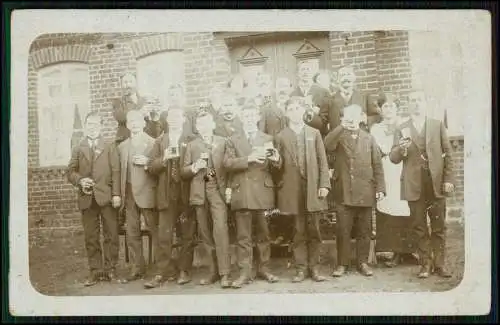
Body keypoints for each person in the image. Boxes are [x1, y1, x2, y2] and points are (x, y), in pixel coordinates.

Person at [389, 89, 455, 279]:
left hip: (435, 183)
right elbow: (393, 158)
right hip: (413, 183)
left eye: (419, 100)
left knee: (439, 225)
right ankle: (425, 264)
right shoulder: (401, 128)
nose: (416, 103)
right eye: (412, 100)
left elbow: (448, 154)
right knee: (418, 226)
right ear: (408, 105)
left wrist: (448, 180)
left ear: (425, 103)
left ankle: (440, 264)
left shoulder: (437, 125)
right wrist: (401, 149)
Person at [270, 96, 331, 282]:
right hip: (292, 189)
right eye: (292, 109)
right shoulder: (280, 136)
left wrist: (324, 184)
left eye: (299, 108)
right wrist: (275, 161)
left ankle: (315, 268)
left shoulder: (314, 133)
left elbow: (322, 161)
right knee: (298, 231)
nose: (295, 112)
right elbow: (277, 167)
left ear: (303, 111)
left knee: (315, 230)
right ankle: (301, 268)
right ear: (287, 112)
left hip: (313, 187)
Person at [324, 104, 386, 277]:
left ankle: (363, 262)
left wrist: (380, 187)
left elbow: (377, 165)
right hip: (344, 191)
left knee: (364, 230)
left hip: (365, 190)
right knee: (343, 230)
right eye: (347, 115)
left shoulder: (369, 138)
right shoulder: (339, 136)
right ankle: (342, 264)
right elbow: (326, 145)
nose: (351, 119)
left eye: (354, 115)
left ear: (361, 118)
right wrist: (340, 127)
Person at [223, 101, 280, 288]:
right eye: (245, 116)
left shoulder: (267, 138)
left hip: (262, 192)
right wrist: (248, 159)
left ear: (257, 118)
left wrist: (276, 159)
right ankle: (245, 272)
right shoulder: (232, 139)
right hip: (243, 193)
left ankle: (264, 269)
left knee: (264, 234)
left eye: (251, 116)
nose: (248, 119)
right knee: (243, 237)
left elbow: (277, 166)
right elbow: (227, 163)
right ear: (242, 118)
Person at [67, 111, 121, 287]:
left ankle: (111, 269)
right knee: (91, 236)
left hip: (106, 197)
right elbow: (70, 172)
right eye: (89, 124)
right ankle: (95, 271)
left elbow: (116, 171)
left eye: (96, 124)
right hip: (87, 198)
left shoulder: (109, 146)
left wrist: (116, 194)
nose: (92, 128)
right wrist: (80, 180)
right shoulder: (78, 147)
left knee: (111, 234)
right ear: (85, 126)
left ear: (101, 126)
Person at [143, 107, 194, 288]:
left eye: (177, 116)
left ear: (183, 119)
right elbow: (149, 166)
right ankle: (161, 272)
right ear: (167, 120)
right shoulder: (160, 141)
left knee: (187, 233)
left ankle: (184, 270)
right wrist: (163, 160)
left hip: (186, 192)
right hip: (166, 193)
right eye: (170, 117)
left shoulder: (191, 139)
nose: (174, 120)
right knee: (164, 234)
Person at [182, 110, 232, 288]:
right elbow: (183, 171)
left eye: (207, 123)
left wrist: (227, 189)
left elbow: (228, 167)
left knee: (220, 230)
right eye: (200, 124)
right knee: (205, 234)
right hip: (199, 193)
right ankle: (213, 272)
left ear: (213, 125)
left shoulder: (223, 142)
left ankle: (225, 273)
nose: (203, 127)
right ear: (196, 127)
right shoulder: (192, 145)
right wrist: (195, 167)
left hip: (216, 191)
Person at [370, 93, 412, 267]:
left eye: (391, 106)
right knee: (388, 206)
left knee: (405, 206)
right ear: (380, 109)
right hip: (385, 169)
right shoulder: (375, 128)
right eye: (385, 106)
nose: (388, 109)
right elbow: (375, 150)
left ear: (397, 108)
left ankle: (408, 250)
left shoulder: (405, 125)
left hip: (403, 168)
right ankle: (393, 250)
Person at [117, 110, 157, 282]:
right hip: (129, 193)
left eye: (137, 120)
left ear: (143, 123)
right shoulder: (122, 146)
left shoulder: (153, 143)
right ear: (127, 125)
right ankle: (137, 267)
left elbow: (159, 166)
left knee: (155, 229)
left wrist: (148, 163)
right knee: (132, 232)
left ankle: (159, 267)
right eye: (130, 121)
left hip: (148, 192)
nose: (134, 124)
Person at [306, 65, 381, 135]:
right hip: (339, 144)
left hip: (360, 143)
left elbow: (376, 116)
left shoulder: (365, 97)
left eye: (348, 74)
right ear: (337, 80)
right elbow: (323, 123)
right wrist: (311, 116)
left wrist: (366, 120)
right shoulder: (328, 100)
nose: (346, 78)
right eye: (342, 75)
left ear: (354, 78)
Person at [111, 72, 164, 144]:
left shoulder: (146, 101)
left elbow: (155, 131)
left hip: (145, 142)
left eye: (130, 82)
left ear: (136, 84)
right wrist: (140, 112)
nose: (128, 85)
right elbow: (121, 117)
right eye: (125, 82)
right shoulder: (118, 102)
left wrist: (155, 118)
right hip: (125, 141)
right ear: (121, 85)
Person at [291, 60, 332, 136]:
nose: (305, 72)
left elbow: (325, 122)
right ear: (298, 73)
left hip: (318, 135)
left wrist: (310, 114)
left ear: (312, 73)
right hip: (298, 136)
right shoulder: (292, 95)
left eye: (308, 69)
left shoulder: (323, 92)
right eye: (303, 69)